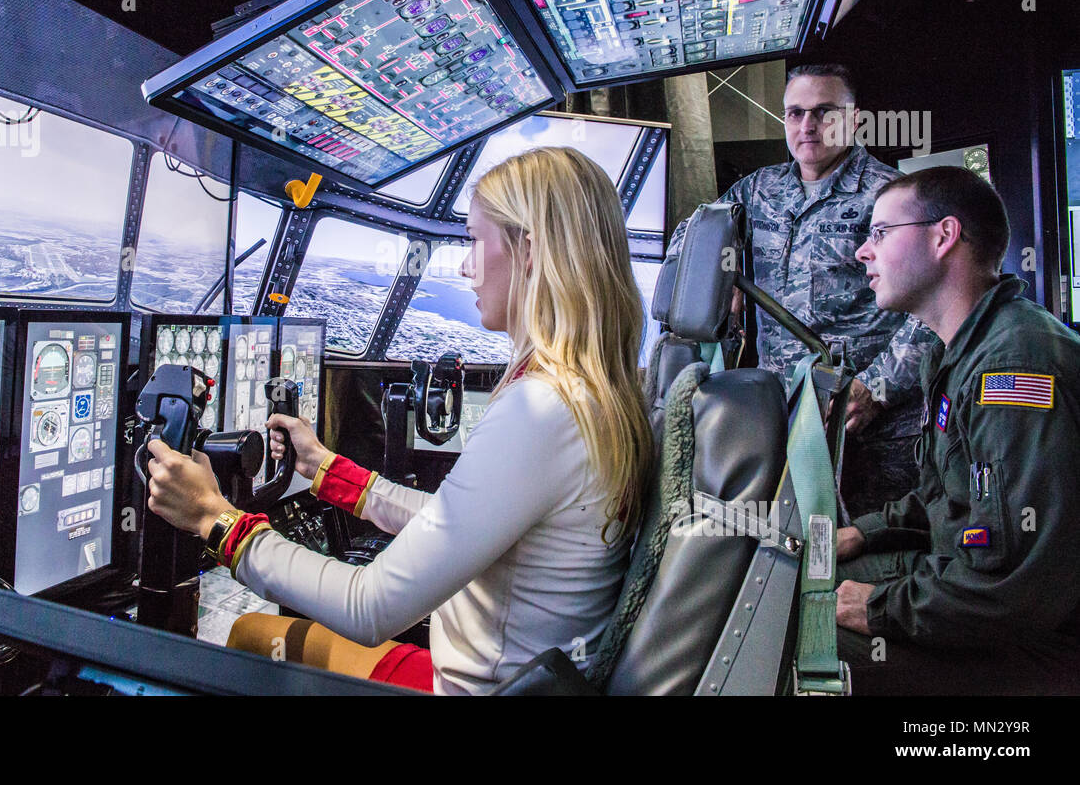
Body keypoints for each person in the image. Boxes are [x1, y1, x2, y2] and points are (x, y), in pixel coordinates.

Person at [146, 146, 654, 695]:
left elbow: (370, 607)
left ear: (529, 249)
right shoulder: (596, 394)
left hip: (464, 688)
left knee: (250, 632)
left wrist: (214, 520)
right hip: (505, 678)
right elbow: (456, 521)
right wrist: (324, 469)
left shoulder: (542, 411)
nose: (464, 265)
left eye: (474, 242)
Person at [834, 166, 1080, 694]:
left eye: (880, 233)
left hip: (1035, 640)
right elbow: (956, 500)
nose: (863, 252)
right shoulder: (957, 353)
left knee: (806, 639)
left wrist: (876, 609)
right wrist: (865, 533)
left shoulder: (1015, 364)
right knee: (807, 587)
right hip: (975, 584)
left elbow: (1014, 585)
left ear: (944, 236)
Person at [666, 64, 936, 518]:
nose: (807, 126)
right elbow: (689, 239)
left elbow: (932, 306)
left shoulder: (892, 196)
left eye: (823, 112)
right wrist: (720, 280)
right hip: (786, 418)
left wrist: (875, 389)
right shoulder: (759, 189)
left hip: (874, 429)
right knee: (795, 562)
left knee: (873, 560)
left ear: (853, 119)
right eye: (794, 114)